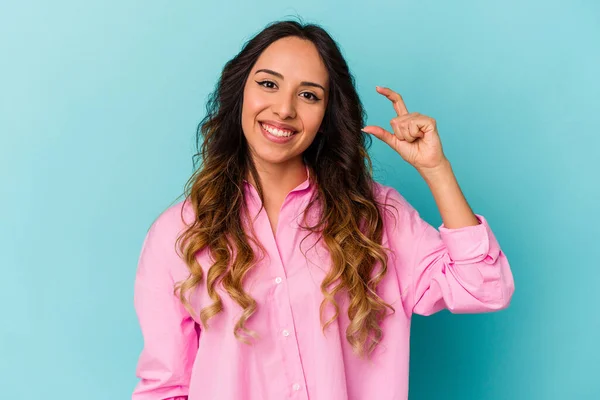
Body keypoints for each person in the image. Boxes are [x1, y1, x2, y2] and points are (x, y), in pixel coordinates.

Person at [132, 19, 515, 400]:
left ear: (327, 113)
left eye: (309, 95)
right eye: (268, 84)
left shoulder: (378, 216)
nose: (284, 109)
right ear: (239, 93)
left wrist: (436, 169)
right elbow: (165, 388)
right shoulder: (178, 234)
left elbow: (483, 287)